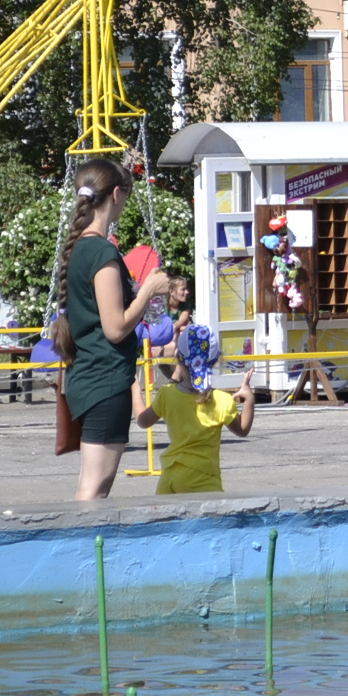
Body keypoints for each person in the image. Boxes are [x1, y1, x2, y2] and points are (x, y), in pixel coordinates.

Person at [54, 158, 174, 500]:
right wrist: (149, 290)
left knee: (90, 485)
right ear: (117, 194)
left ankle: (84, 550)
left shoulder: (79, 248)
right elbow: (116, 328)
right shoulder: (102, 253)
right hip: (105, 381)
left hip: (88, 377)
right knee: (95, 489)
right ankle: (84, 552)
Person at [134, 323, 256, 495]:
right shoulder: (222, 400)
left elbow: (142, 420)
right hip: (202, 479)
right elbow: (242, 430)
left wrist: (134, 387)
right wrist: (249, 398)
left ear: (178, 358)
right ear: (215, 360)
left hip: (170, 477)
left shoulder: (167, 395)